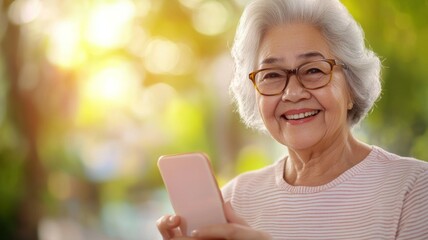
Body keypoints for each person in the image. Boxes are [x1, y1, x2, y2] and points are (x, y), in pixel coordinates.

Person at [156, 0, 428, 239]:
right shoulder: (234, 200)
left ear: (351, 88)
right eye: (272, 75)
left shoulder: (414, 189)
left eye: (312, 70)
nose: (292, 93)